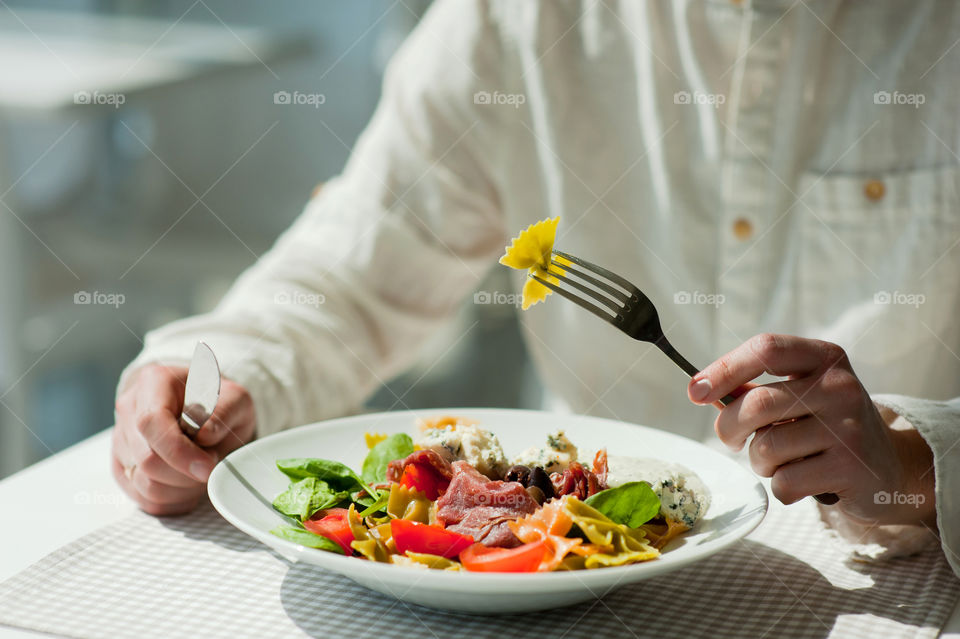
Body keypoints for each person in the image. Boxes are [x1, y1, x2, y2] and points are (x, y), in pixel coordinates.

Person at [111, 0, 960, 575]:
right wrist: (218, 383)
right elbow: (353, 264)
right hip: (546, 585)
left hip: (897, 578)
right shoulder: (510, 21)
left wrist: (916, 465)